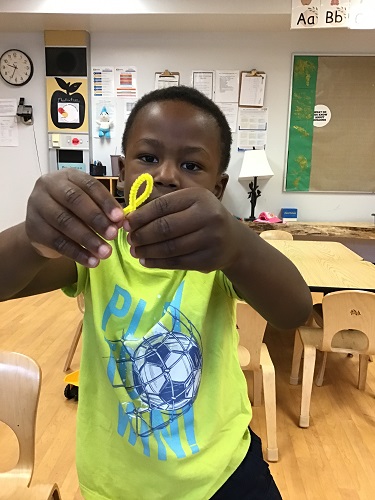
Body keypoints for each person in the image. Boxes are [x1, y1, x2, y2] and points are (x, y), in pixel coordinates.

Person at [0, 86, 312, 499]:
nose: (165, 174)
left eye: (191, 164)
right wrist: (33, 238)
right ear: (124, 171)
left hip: (222, 472)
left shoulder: (216, 255)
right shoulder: (97, 246)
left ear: (218, 189)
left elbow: (295, 311)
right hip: (115, 484)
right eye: (148, 158)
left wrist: (239, 247)